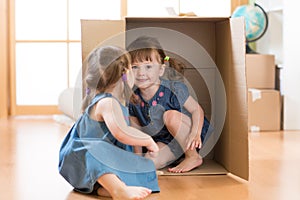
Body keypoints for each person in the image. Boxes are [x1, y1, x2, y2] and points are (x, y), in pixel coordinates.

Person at [58, 45, 160, 200]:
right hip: (84, 160)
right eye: (133, 68)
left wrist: (137, 161)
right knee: (97, 150)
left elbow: (128, 140)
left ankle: (104, 189)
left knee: (144, 168)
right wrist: (148, 140)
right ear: (125, 74)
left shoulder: (117, 103)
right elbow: (121, 133)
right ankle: (118, 190)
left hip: (100, 166)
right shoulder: (107, 103)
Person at [127, 36, 211, 173]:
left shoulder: (173, 89)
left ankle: (192, 156)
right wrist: (138, 158)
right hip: (167, 142)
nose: (141, 73)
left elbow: (197, 110)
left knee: (170, 116)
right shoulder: (133, 98)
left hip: (189, 134)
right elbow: (137, 131)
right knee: (147, 163)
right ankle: (179, 156)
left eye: (148, 67)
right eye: (135, 67)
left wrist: (195, 133)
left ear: (160, 70)